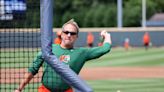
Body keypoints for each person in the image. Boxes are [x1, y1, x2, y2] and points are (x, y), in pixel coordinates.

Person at [14, 19, 112, 92]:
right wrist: (19, 88)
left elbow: (105, 49)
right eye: (66, 32)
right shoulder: (48, 49)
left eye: (72, 33)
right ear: (61, 34)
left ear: (76, 36)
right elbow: (33, 70)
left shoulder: (81, 53)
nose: (69, 35)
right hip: (45, 90)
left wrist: (107, 36)